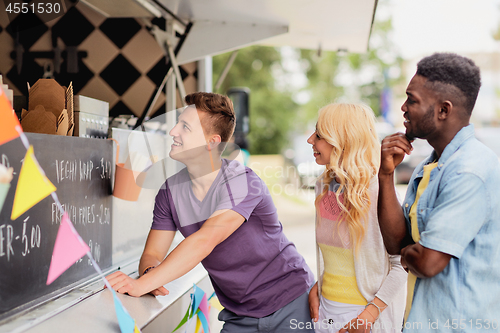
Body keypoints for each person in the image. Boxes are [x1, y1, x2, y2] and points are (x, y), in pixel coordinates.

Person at [106, 92, 315, 332]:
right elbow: (152, 253)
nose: (173, 131)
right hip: (239, 315)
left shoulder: (242, 182)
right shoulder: (169, 192)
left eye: (185, 127)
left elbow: (205, 240)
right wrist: (151, 276)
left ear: (212, 142)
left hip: (292, 303)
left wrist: (140, 285)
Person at [377, 53, 500, 332]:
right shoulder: (429, 166)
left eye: (412, 100)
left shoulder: (469, 170)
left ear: (443, 110)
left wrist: (414, 253)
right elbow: (397, 246)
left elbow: (428, 263)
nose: (403, 107)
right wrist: (385, 175)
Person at [307, 103, 407, 333]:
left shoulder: (378, 192)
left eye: (320, 134)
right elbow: (343, 257)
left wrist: (368, 316)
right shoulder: (323, 186)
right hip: (326, 314)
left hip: (365, 318)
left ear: (342, 139)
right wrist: (320, 284)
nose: (311, 139)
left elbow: (402, 264)